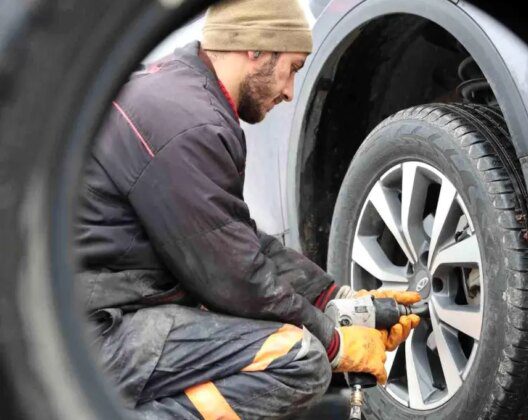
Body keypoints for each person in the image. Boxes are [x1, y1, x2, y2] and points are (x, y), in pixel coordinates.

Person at [75, 0, 421, 418]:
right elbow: (232, 277)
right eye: (292, 68)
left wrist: (335, 298)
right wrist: (334, 344)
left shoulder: (177, 92)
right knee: (298, 360)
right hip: (101, 334)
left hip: (105, 315)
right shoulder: (191, 125)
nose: (290, 91)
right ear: (255, 50)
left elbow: (231, 235)